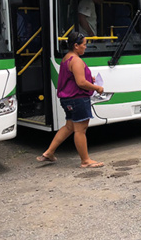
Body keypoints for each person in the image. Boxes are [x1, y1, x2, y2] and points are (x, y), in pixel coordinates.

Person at [36, 32, 105, 168]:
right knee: (80, 130)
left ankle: (49, 152)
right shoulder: (77, 60)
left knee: (69, 126)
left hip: (67, 99)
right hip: (78, 99)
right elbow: (81, 83)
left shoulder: (66, 58)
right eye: (84, 45)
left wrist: (88, 78)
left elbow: (73, 78)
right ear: (76, 45)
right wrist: (97, 87)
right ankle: (85, 160)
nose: (85, 47)